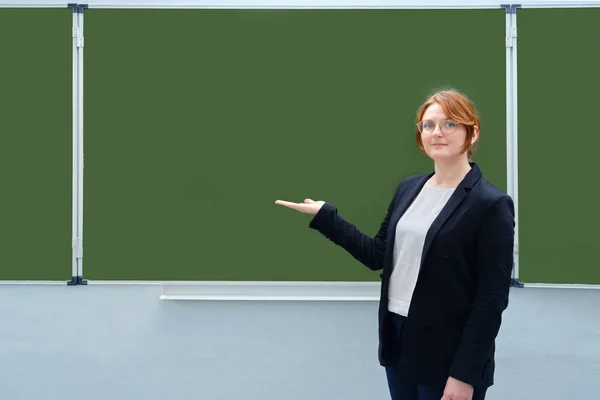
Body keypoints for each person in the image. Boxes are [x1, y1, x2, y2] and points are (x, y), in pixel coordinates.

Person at [275, 89, 515, 400]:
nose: (437, 133)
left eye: (450, 124)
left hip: (448, 349)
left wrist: (464, 374)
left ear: (473, 132)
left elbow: (491, 299)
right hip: (398, 336)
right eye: (428, 125)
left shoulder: (490, 204)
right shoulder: (410, 188)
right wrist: (326, 217)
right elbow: (377, 254)